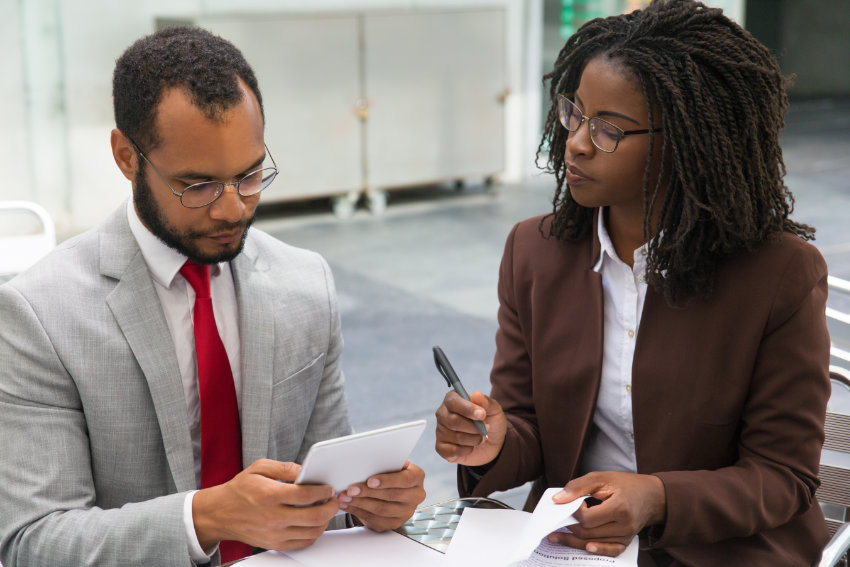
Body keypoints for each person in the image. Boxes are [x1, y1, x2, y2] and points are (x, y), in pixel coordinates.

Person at [0, 26, 425, 566]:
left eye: (249, 176)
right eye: (197, 186)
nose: (231, 209)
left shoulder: (305, 284)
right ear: (126, 157)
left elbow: (327, 501)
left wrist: (371, 505)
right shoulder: (41, 315)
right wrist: (208, 517)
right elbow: (32, 544)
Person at [434, 1, 830, 565]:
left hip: (725, 552)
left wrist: (658, 498)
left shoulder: (779, 274)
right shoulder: (535, 251)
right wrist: (491, 441)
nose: (576, 142)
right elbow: (528, 425)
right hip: (576, 547)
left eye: (610, 129)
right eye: (574, 113)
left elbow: (783, 476)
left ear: (690, 142)